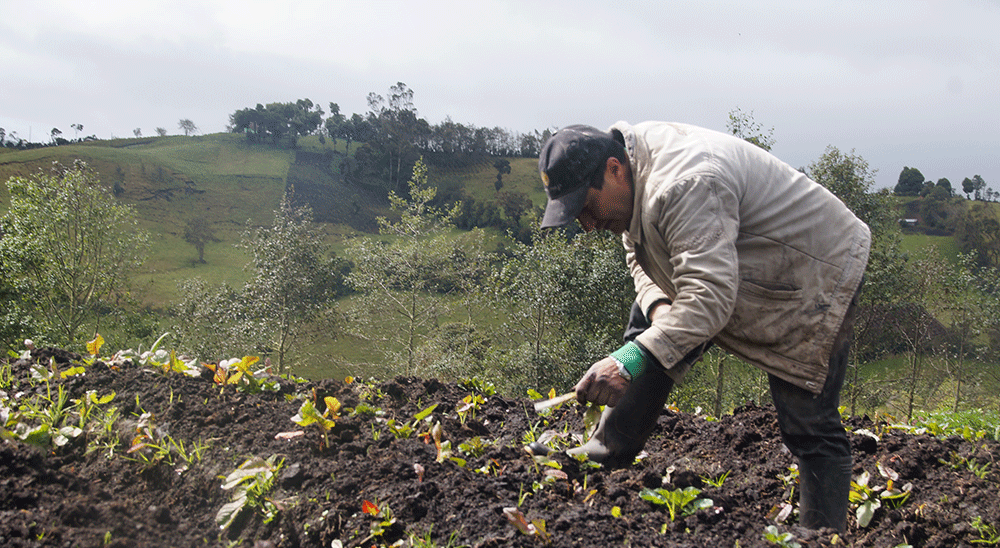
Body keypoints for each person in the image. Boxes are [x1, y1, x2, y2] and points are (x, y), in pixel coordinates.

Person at [538, 122, 870, 532]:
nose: (587, 225)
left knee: (808, 419)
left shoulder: (684, 184)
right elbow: (639, 251)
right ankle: (607, 451)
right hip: (729, 259)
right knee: (648, 334)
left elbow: (709, 298)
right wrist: (660, 308)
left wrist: (629, 360)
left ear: (613, 170)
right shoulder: (633, 174)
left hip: (812, 270)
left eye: (587, 207)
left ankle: (821, 535)